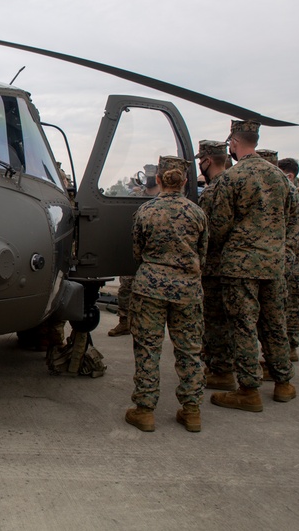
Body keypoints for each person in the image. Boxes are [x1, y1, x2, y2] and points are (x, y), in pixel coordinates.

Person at [206, 120, 296, 413]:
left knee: (243, 325)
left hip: (241, 265)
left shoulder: (233, 178)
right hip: (274, 262)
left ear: (233, 142)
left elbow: (219, 226)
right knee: (273, 323)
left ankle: (249, 390)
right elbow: (292, 215)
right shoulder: (278, 175)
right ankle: (283, 382)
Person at [124, 156, 208, 432]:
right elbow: (203, 254)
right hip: (187, 289)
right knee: (190, 350)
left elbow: (137, 251)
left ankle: (145, 410)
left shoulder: (146, 211)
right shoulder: (197, 213)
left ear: (158, 179)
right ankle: (192, 410)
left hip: (150, 287)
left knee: (148, 348)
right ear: (185, 181)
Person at [195, 140, 236, 391]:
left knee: (215, 319)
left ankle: (221, 371)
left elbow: (212, 231)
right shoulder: (236, 183)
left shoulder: (216, 190)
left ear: (207, 161)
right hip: (234, 264)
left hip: (216, 265)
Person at [109, 164, 160, 337]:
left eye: (152, 174)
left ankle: (147, 327)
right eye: (147, 174)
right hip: (135, 251)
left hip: (155, 255)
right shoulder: (136, 197)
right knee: (126, 288)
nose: (149, 177)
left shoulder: (163, 199)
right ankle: (124, 321)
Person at [277, 158, 299, 361]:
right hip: (285, 262)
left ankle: (289, 348)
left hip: (292, 264)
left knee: (291, 307)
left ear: (288, 176)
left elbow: (291, 237)